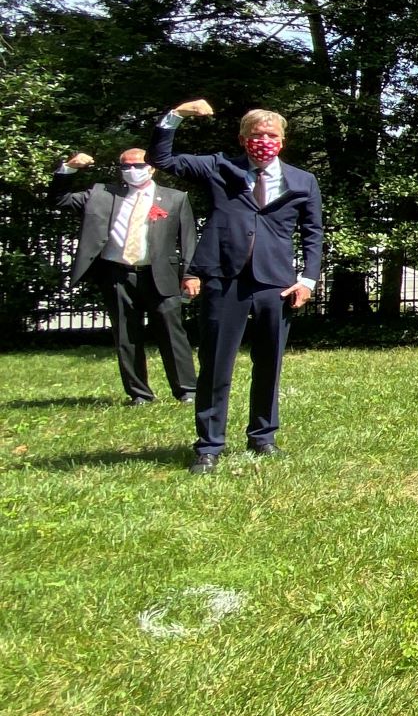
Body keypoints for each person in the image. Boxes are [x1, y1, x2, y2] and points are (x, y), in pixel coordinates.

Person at [150, 100, 322, 475]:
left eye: (271, 135)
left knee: (269, 363)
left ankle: (263, 435)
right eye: (257, 135)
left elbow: (313, 232)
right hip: (224, 277)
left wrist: (307, 279)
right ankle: (209, 445)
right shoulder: (218, 167)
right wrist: (176, 116)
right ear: (243, 139)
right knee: (215, 363)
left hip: (276, 283)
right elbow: (161, 158)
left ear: (283, 140)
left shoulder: (302, 180)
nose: (264, 141)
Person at [50, 148, 200, 406]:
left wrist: (190, 274)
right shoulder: (102, 195)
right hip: (117, 274)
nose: (132, 170)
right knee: (126, 335)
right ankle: (139, 393)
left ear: (151, 167)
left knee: (172, 332)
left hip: (159, 274)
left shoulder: (174, 198)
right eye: (126, 166)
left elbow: (188, 239)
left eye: (138, 165)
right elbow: (59, 199)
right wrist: (69, 168)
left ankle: (187, 390)